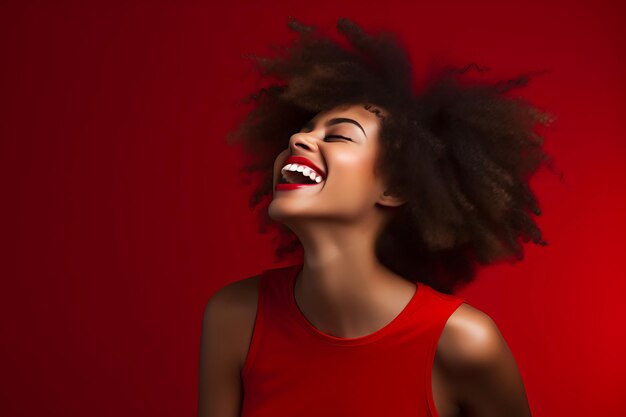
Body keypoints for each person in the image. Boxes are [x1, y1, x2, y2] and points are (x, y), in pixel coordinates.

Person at [198, 16, 555, 417]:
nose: (299, 139)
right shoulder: (234, 319)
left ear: (395, 188)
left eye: (339, 135)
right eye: (302, 129)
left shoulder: (464, 344)